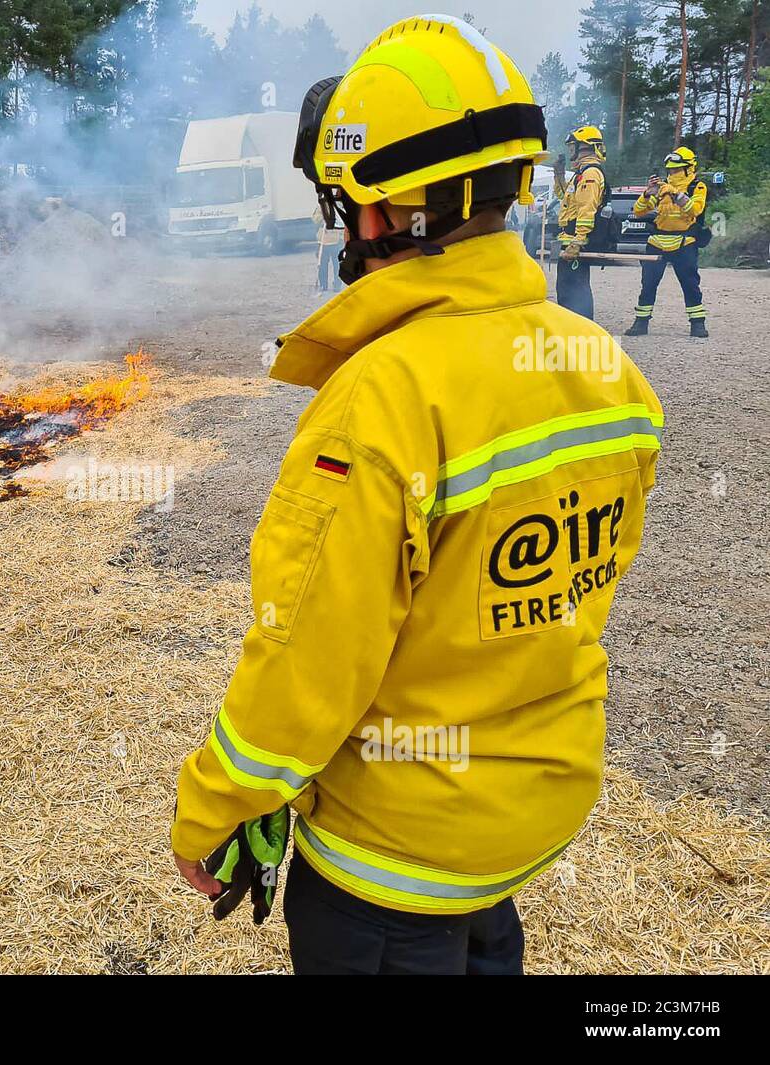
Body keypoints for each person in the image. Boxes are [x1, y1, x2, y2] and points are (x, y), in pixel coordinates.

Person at [171, 15, 664, 975]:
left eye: (340, 204)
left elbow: (307, 659)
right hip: (527, 818)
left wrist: (213, 806)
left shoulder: (382, 400)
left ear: (377, 213)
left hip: (392, 862)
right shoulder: (605, 368)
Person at [624, 147, 708, 338]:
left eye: (676, 170)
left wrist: (677, 195)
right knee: (648, 284)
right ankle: (641, 323)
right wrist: (647, 194)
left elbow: (695, 210)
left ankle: (697, 324)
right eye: (669, 170)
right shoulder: (662, 189)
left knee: (690, 284)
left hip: (684, 242)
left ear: (688, 168)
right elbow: (639, 211)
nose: (672, 174)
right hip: (657, 241)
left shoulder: (698, 186)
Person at [554, 126, 608, 320]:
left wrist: (578, 241)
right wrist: (559, 176)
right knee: (567, 289)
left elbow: (587, 209)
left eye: (572, 147)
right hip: (569, 239)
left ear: (584, 147)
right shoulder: (580, 173)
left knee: (575, 291)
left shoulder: (590, 174)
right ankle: (572, 328)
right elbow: (564, 198)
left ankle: (581, 329)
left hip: (575, 242)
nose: (570, 152)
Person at [311, 203, 343, 294]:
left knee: (337, 265)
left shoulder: (338, 205)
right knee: (322, 264)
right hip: (323, 241)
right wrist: (322, 218)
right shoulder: (321, 206)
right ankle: (323, 284)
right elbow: (315, 219)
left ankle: (337, 284)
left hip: (336, 240)